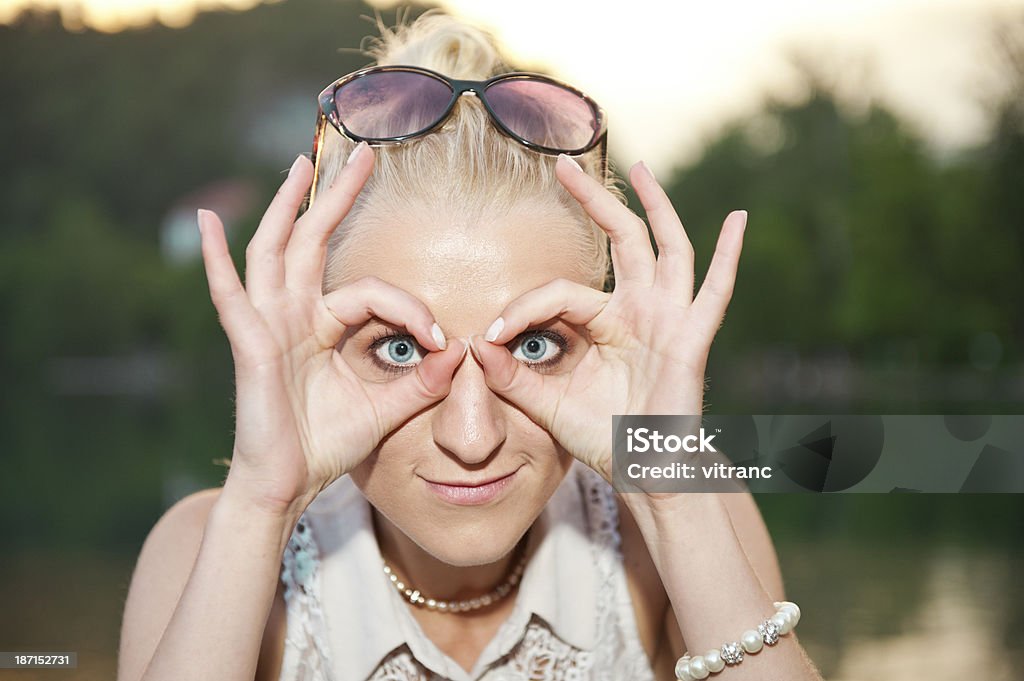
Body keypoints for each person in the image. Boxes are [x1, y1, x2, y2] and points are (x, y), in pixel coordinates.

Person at [118, 11, 823, 681]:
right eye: (398, 349)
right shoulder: (205, 548)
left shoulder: (689, 509)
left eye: (535, 345)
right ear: (318, 345)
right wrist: (260, 505)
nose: (472, 434)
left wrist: (673, 500)